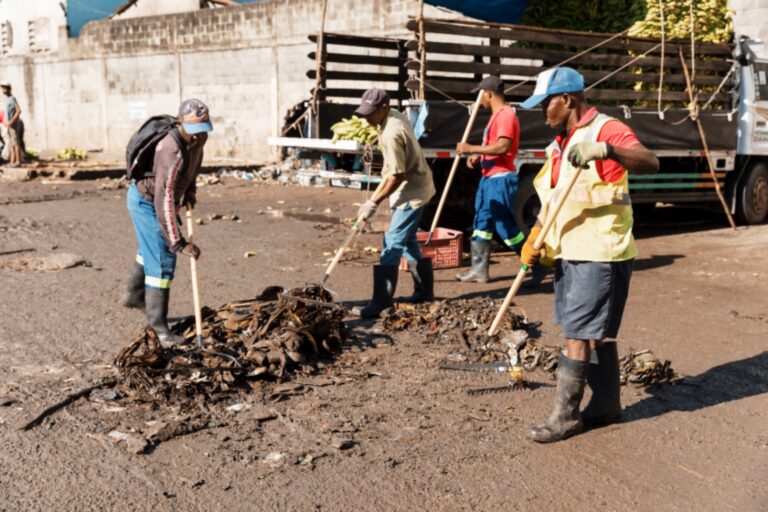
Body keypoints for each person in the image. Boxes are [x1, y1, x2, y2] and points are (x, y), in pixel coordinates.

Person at [518, 67, 658, 443]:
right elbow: (551, 199)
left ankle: (565, 416)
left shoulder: (605, 130)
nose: (542, 112)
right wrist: (535, 239)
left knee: (578, 333)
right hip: (571, 250)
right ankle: (607, 406)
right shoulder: (560, 143)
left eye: (546, 104)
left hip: (601, 250)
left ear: (567, 99)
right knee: (594, 333)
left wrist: (607, 150)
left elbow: (650, 161)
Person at [122, 99, 213, 347]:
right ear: (180, 123)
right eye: (193, 132)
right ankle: (159, 329)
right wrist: (178, 242)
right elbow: (164, 200)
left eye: (202, 129)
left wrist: (191, 191)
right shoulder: (169, 150)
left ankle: (133, 294)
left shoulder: (199, 138)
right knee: (163, 258)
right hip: (146, 201)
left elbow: (193, 167)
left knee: (150, 248)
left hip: (161, 199)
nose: (197, 138)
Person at [351, 88, 436, 318]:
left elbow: (397, 176)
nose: (367, 118)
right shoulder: (394, 115)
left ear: (385, 108)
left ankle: (381, 301)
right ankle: (425, 291)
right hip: (416, 186)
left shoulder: (391, 133)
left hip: (412, 193)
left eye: (371, 113)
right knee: (408, 241)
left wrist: (373, 202)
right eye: (365, 113)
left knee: (392, 244)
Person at [455, 75, 525, 283]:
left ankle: (535, 261)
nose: (479, 100)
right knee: (481, 222)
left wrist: (471, 148)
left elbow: (503, 146)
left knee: (505, 227)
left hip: (500, 179)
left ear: (488, 94)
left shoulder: (505, 116)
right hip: (489, 178)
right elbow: (496, 147)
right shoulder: (496, 115)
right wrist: (479, 156)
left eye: (480, 95)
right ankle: (479, 270)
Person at [1, 82, 23, 166]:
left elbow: (18, 110)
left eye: (4, 88)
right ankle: (12, 161)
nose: (3, 90)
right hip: (9, 125)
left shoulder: (12, 99)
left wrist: (11, 121)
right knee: (11, 143)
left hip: (13, 125)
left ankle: (18, 161)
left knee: (15, 142)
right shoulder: (8, 99)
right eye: (2, 88)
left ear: (9, 89)